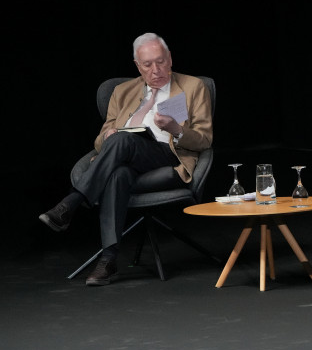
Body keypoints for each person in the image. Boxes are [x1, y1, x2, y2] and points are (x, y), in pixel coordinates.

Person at [39, 33, 214, 286]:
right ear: (137, 66)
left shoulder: (193, 87)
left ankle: (72, 202)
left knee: (122, 142)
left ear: (170, 59)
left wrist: (177, 129)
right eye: (148, 65)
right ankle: (108, 260)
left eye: (161, 62)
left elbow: (205, 140)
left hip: (167, 156)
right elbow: (100, 141)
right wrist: (109, 134)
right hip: (125, 158)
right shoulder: (122, 92)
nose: (156, 70)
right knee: (118, 168)